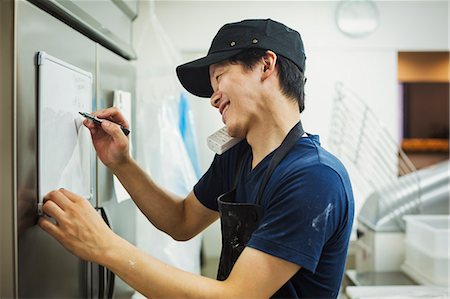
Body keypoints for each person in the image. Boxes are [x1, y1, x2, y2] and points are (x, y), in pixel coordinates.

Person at [39, 19, 354, 298]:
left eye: (219, 77)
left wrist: (106, 247)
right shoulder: (239, 156)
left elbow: (237, 296)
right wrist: (121, 163)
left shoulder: (316, 178)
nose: (214, 97)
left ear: (265, 66)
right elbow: (182, 220)